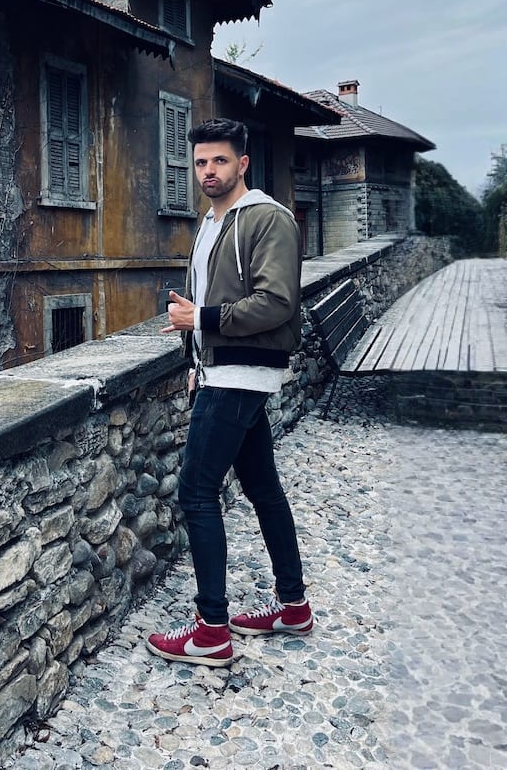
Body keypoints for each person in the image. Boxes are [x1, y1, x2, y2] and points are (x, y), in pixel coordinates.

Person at [147, 117, 312, 668]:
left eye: (219, 161)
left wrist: (202, 320)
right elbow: (201, 308)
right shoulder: (209, 224)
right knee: (263, 488)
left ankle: (211, 631)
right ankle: (293, 607)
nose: (208, 172)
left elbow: (277, 302)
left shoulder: (268, 219)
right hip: (222, 372)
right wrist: (196, 354)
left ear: (242, 163)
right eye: (199, 163)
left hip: (243, 374)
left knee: (196, 492)